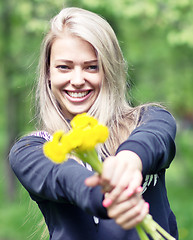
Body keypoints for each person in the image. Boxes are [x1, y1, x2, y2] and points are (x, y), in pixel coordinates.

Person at [9, 7, 178, 240]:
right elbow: (67, 179)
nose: (77, 80)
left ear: (109, 69)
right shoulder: (32, 150)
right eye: (64, 67)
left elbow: (154, 140)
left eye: (91, 66)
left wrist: (128, 161)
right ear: (48, 73)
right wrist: (108, 198)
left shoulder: (149, 119)